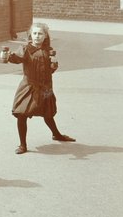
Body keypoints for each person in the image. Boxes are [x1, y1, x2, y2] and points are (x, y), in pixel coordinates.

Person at [6, 22, 75, 154]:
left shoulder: (48, 50)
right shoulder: (25, 49)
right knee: (22, 113)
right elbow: (16, 58)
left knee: (48, 114)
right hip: (29, 86)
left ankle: (57, 134)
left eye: (40, 34)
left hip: (45, 87)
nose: (37, 36)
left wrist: (54, 65)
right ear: (30, 35)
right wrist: (9, 56)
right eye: (35, 33)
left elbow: (50, 70)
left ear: (45, 36)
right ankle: (22, 145)